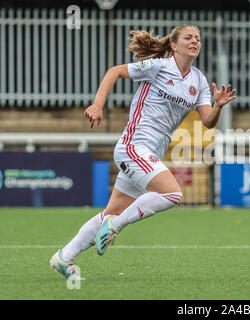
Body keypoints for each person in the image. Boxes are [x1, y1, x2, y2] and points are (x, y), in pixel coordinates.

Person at [49, 24, 237, 280]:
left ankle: (64, 257)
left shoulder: (199, 80)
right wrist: (97, 104)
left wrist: (218, 106)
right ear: (174, 44)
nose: (195, 41)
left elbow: (208, 122)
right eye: (189, 37)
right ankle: (115, 226)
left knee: (111, 211)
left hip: (149, 154)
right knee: (172, 193)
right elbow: (114, 71)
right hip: (133, 146)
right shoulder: (160, 66)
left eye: (198, 38)